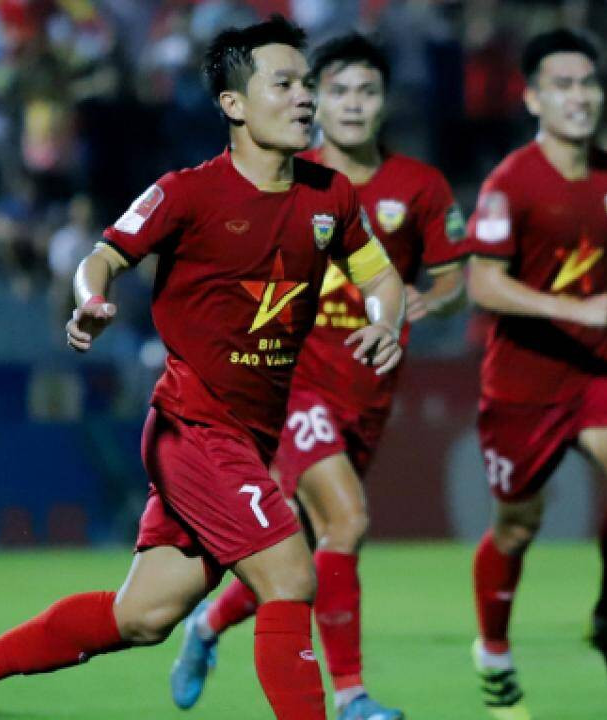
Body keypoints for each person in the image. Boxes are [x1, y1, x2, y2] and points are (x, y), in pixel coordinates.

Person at [0, 16, 406, 720]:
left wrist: (387, 320)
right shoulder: (189, 193)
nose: (305, 99)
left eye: (307, 84)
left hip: (250, 437)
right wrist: (88, 301)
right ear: (233, 104)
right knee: (291, 575)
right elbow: (104, 256)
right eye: (284, 83)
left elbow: (381, 279)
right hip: (191, 428)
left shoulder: (331, 198)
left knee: (143, 615)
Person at [170, 33, 468, 720]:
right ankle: (353, 696)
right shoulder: (285, 175)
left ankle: (209, 624)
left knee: (304, 546)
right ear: (316, 99)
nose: (353, 104)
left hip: (368, 393)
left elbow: (454, 275)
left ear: (385, 102)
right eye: (337, 90)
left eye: (367, 91)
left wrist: (428, 298)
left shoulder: (419, 187)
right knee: (349, 520)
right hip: (294, 383)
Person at [463, 29, 607, 720]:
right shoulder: (509, 183)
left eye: (588, 84)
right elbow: (482, 284)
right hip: (523, 380)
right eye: (563, 86)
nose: (579, 97)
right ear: (533, 98)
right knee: (518, 526)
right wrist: (574, 306)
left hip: (598, 367)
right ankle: (493, 653)